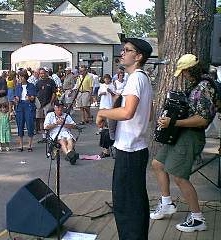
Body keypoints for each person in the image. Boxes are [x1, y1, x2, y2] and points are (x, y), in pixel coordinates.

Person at [151, 54, 216, 232]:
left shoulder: (204, 87)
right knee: (158, 164)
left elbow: (203, 120)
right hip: (180, 133)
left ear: (191, 69)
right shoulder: (196, 84)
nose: (183, 76)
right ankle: (167, 204)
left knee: (180, 177)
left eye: (184, 72)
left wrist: (173, 122)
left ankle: (198, 219)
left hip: (190, 136)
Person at [96, 38, 153, 240]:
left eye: (127, 50)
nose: (122, 53)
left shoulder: (136, 78)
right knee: (135, 201)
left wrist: (103, 112)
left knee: (125, 204)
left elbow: (128, 112)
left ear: (138, 57)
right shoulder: (142, 78)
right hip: (136, 149)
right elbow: (149, 114)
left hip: (129, 151)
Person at [14, 70, 36, 152]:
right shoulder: (17, 86)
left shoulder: (31, 86)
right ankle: (21, 145)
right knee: (20, 124)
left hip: (28, 105)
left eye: (21, 77)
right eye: (19, 77)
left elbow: (33, 97)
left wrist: (30, 98)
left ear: (25, 77)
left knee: (30, 124)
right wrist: (16, 99)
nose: (19, 78)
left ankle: (30, 145)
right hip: (20, 105)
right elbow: (15, 97)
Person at [98, 74, 116, 158]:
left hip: (109, 105)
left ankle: (106, 151)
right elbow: (99, 94)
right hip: (103, 104)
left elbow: (114, 95)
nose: (107, 80)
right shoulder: (102, 85)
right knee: (101, 122)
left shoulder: (112, 85)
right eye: (105, 79)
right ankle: (101, 128)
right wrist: (103, 93)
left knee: (108, 126)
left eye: (108, 79)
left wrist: (110, 92)